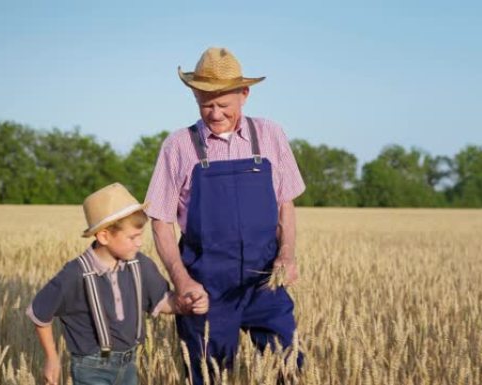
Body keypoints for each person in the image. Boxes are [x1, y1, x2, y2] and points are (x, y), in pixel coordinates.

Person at [145, 47, 306, 383]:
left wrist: (287, 255)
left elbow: (285, 205)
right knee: (208, 374)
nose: (215, 114)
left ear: (244, 95)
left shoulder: (271, 135)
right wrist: (182, 280)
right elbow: (160, 220)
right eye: (206, 104)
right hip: (207, 286)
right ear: (193, 95)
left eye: (223, 105)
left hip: (265, 281)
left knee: (289, 369)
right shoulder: (178, 146)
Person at [26, 183, 208, 385]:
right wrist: (52, 358)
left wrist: (187, 305)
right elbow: (39, 313)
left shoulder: (141, 265)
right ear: (104, 236)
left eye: (140, 236)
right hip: (91, 367)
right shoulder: (75, 273)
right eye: (133, 237)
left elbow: (162, 302)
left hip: (129, 363)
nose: (139, 243)